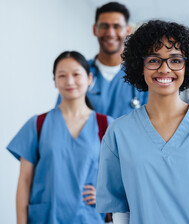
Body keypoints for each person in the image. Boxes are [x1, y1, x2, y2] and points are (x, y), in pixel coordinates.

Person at [96, 20, 189, 224]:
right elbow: (120, 210)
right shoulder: (118, 132)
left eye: (175, 60)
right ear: (140, 66)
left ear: (188, 66)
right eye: (153, 60)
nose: (164, 69)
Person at [8, 51, 113, 223]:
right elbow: (25, 181)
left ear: (89, 78)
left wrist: (106, 196)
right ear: (55, 82)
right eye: (62, 76)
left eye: (76, 74)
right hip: (46, 218)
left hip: (88, 218)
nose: (69, 81)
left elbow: (124, 177)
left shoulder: (107, 125)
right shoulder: (37, 124)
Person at [56, 2, 148, 118]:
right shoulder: (78, 72)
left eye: (117, 26)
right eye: (104, 26)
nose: (110, 33)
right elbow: (60, 119)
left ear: (128, 30)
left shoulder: (142, 75)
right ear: (95, 29)